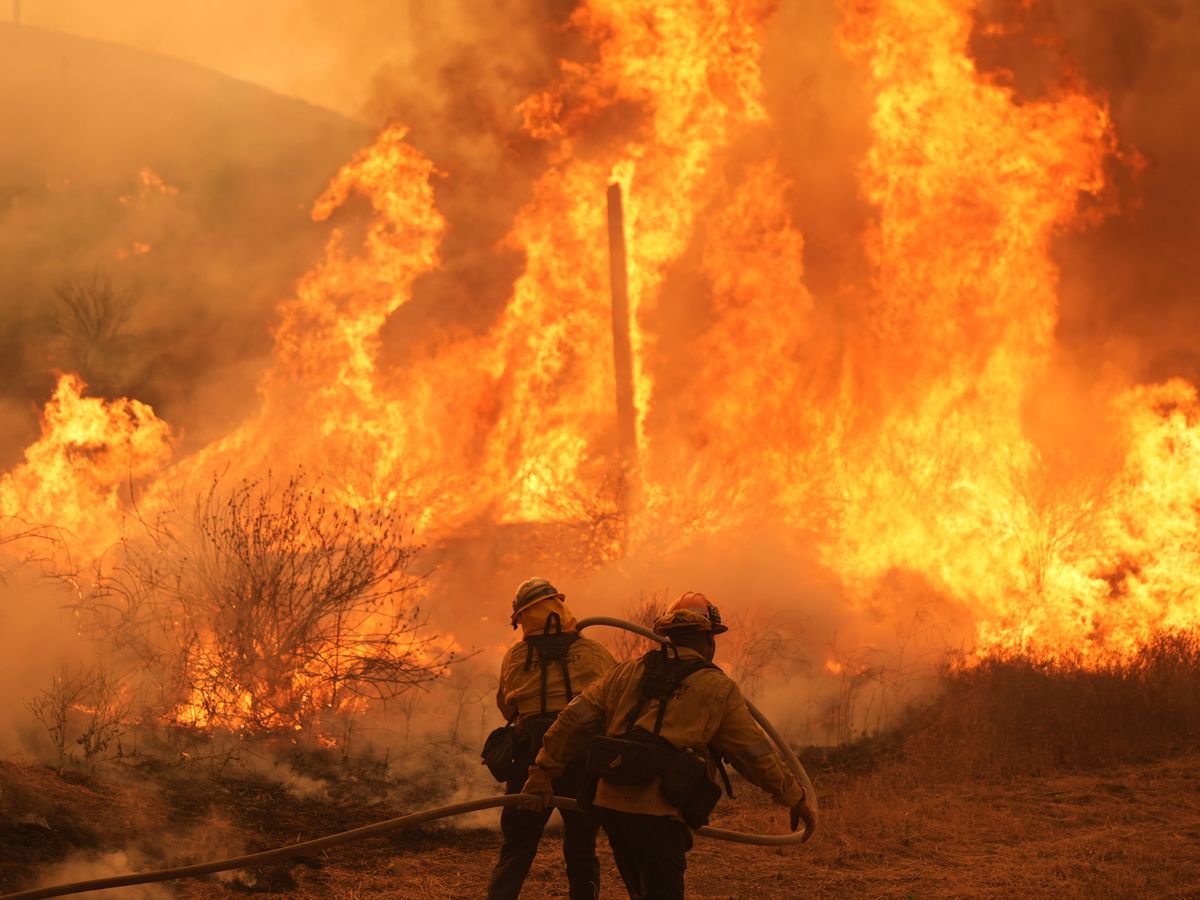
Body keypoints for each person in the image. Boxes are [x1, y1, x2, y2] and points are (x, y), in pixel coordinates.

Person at [518, 591, 813, 900]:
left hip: (611, 805)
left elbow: (572, 720)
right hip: (658, 812)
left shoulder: (625, 673)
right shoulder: (717, 687)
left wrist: (542, 770)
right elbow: (753, 754)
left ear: (667, 636)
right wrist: (793, 795)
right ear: (709, 639)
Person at [485, 577, 617, 900]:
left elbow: (507, 707)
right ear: (559, 605)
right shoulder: (593, 651)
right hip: (582, 750)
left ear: (523, 618)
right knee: (582, 846)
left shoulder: (515, 658)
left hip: (531, 753)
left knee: (518, 846)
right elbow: (615, 701)